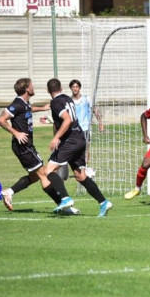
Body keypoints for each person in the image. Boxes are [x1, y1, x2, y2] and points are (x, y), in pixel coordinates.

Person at [0, 78, 74, 213]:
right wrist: (16, 133)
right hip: (23, 146)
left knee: (35, 176)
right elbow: (0, 120)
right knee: (44, 174)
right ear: (27, 89)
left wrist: (42, 108)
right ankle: (63, 205)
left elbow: (28, 108)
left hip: (27, 146)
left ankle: (9, 192)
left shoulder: (24, 103)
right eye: (32, 86)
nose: (34, 87)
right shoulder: (17, 104)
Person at [46, 78, 112, 217]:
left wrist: (56, 137)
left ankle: (65, 198)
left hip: (71, 141)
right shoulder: (67, 99)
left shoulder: (56, 102)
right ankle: (103, 202)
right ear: (62, 88)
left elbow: (67, 119)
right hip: (80, 137)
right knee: (80, 176)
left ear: (48, 91)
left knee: (49, 170)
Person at [69, 79, 103, 171]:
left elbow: (94, 110)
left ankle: (84, 167)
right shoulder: (69, 101)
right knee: (76, 149)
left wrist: (100, 123)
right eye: (73, 87)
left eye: (77, 87)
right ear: (71, 88)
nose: (75, 89)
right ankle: (78, 166)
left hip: (86, 128)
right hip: (75, 129)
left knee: (86, 148)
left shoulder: (86, 98)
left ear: (79, 88)